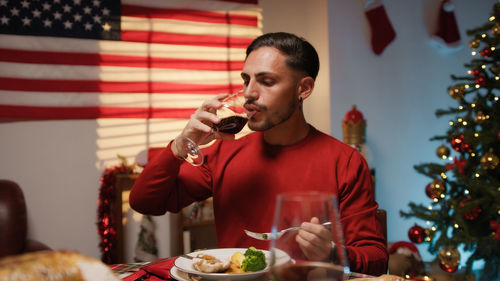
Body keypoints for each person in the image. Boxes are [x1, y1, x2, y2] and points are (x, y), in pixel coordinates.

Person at [129, 32, 388, 275]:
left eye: (266, 81)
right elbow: (145, 202)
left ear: (303, 89)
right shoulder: (225, 152)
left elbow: (375, 259)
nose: (249, 93)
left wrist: (331, 252)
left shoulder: (345, 162)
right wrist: (179, 146)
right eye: (246, 80)